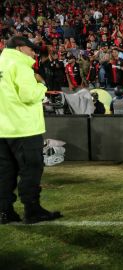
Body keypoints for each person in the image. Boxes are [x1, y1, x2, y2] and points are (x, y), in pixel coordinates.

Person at [0, 36, 62, 224]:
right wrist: (41, 86)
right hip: (24, 128)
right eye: (31, 49)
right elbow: (28, 95)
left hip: (3, 129)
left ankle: (4, 212)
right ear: (20, 48)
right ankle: (32, 210)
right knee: (31, 170)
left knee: (4, 172)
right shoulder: (20, 66)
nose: (34, 53)